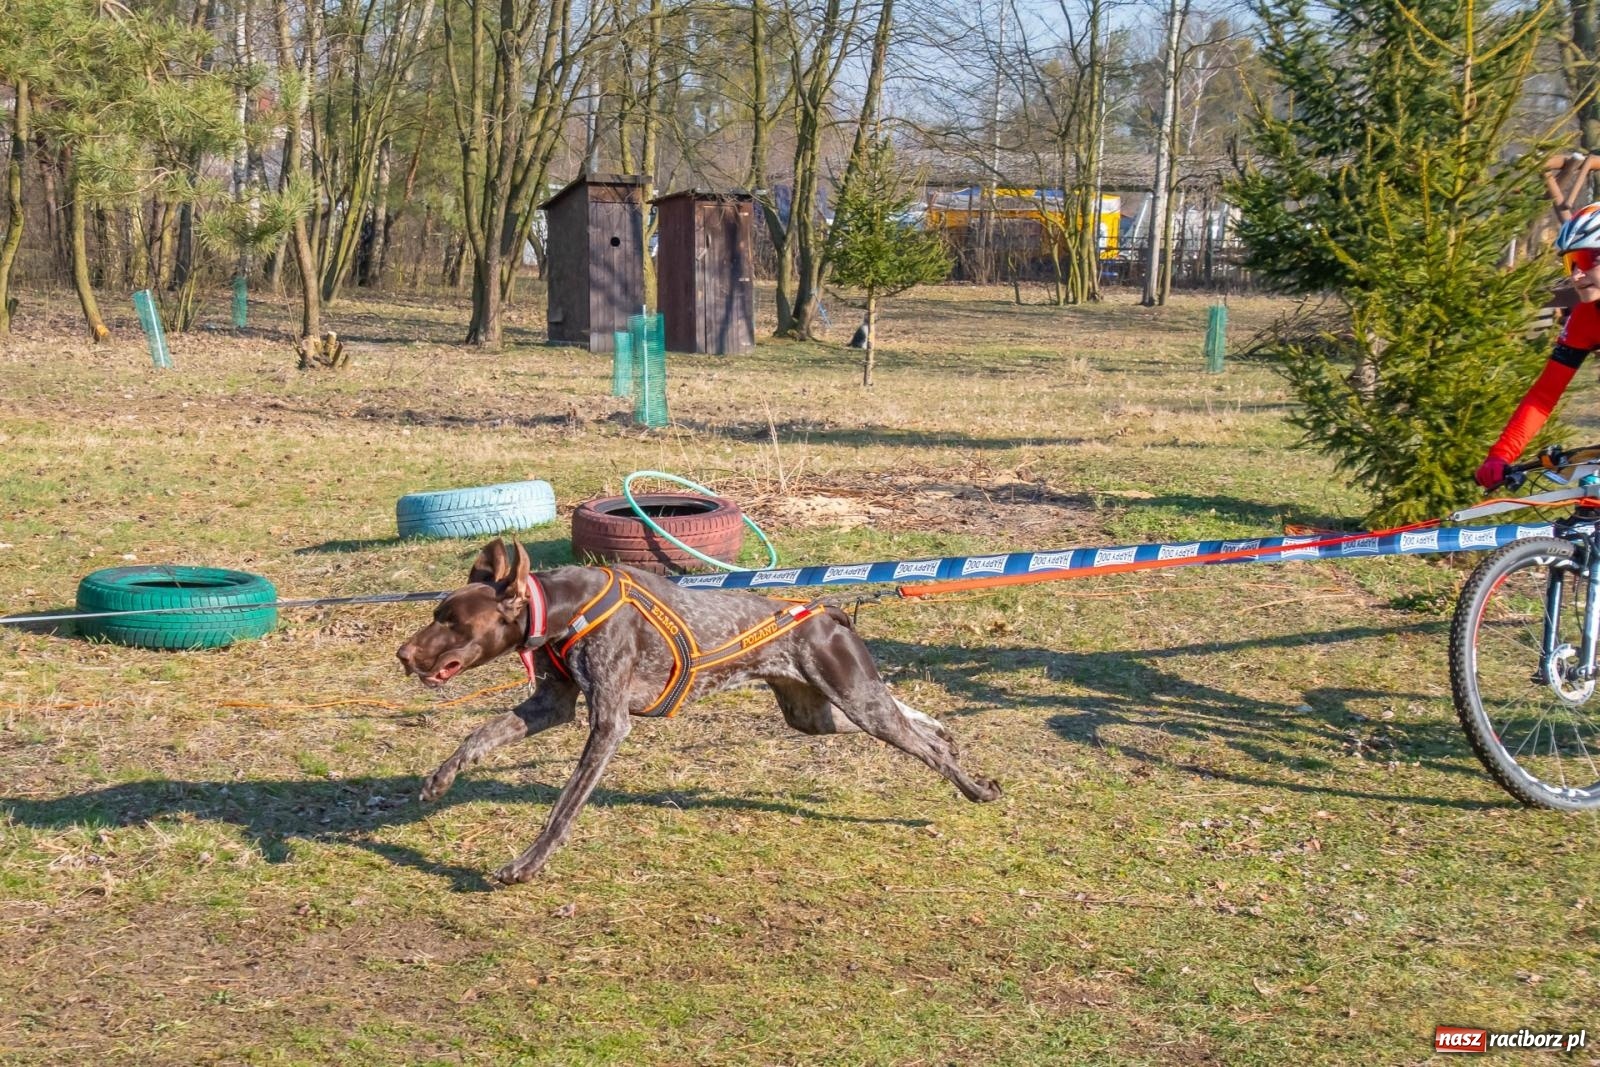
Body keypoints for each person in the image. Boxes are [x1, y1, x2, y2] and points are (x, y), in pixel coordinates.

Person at [1477, 203, 1600, 489]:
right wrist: (1500, 454)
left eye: (1586, 258)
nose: (1577, 275)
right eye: (1571, 263)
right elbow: (1544, 395)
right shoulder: (1586, 319)